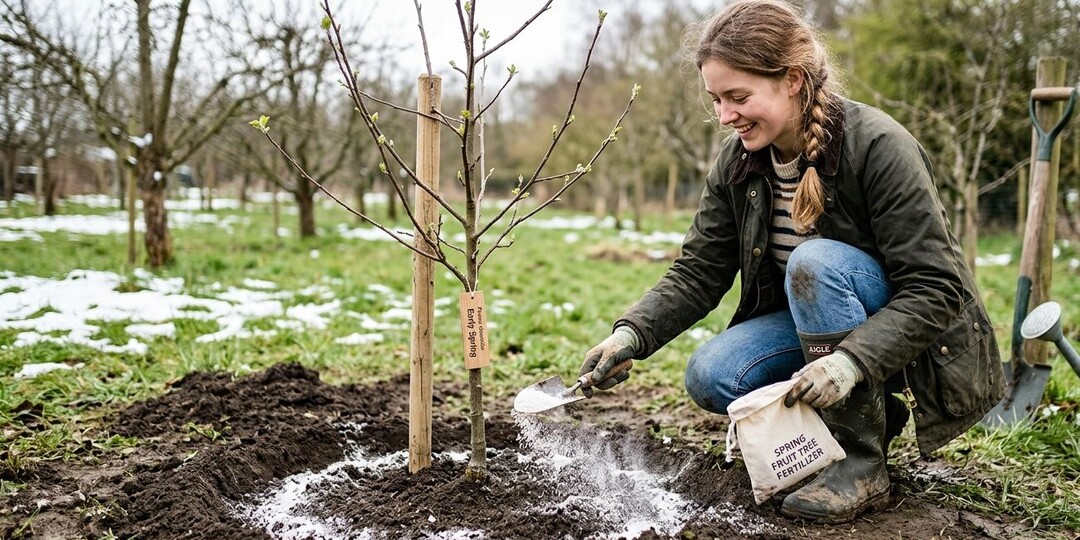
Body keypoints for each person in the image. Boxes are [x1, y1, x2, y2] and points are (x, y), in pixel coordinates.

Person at [576, 0, 1005, 524]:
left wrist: (851, 362)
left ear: (793, 80)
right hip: (813, 327)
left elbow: (937, 287)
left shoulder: (879, 146)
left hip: (903, 335)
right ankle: (867, 416)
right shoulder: (739, 161)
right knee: (712, 375)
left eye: (738, 97)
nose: (724, 116)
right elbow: (699, 269)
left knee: (812, 262)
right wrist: (632, 335)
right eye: (716, 99)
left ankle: (861, 462)